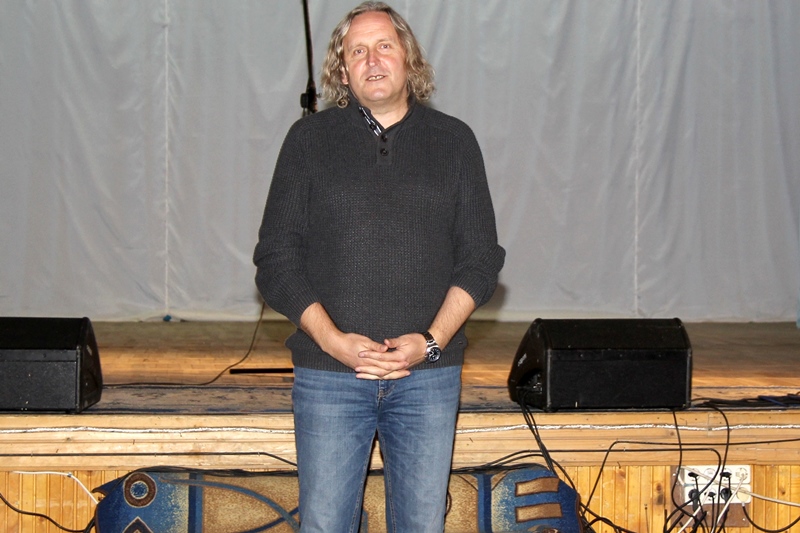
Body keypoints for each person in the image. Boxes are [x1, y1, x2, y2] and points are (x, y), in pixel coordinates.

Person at [253, 2, 505, 531]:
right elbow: (275, 259)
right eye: (357, 51)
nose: (372, 60)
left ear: (408, 58)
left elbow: (482, 257)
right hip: (330, 376)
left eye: (384, 46)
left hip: (427, 376)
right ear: (342, 72)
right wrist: (333, 342)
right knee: (324, 525)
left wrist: (430, 342)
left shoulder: (455, 141)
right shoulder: (308, 141)